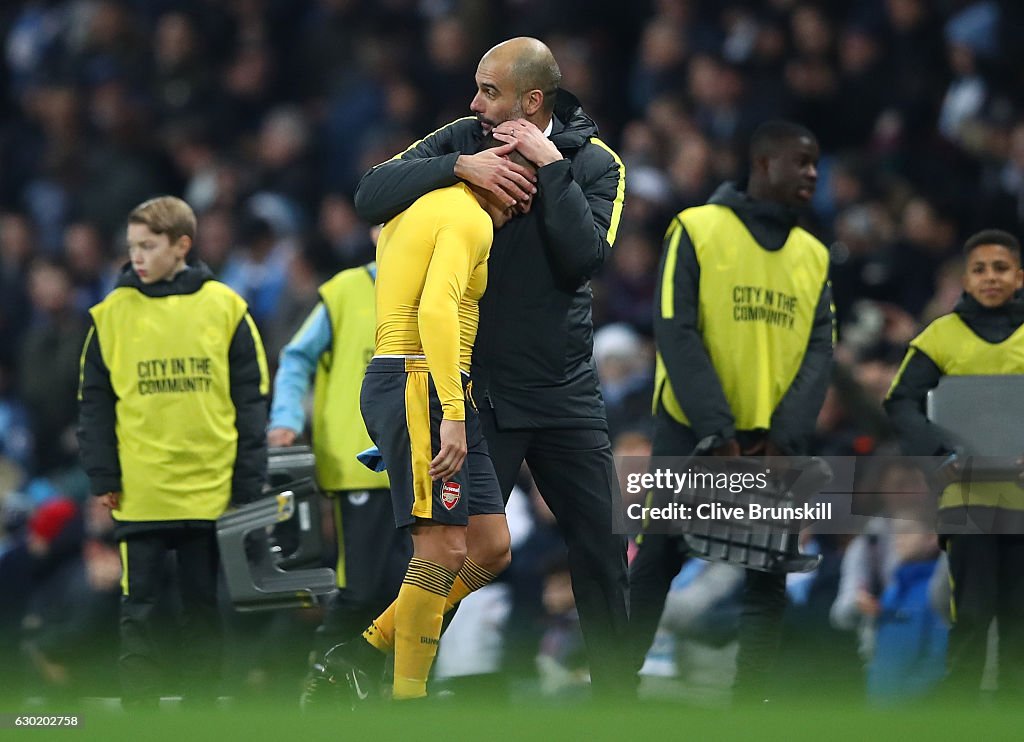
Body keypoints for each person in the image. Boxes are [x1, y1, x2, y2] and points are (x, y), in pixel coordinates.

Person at [353, 36, 632, 698]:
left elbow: (581, 260)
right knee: (457, 550)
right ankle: (386, 672)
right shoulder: (464, 136)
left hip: (564, 390)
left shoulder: (598, 164)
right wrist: (460, 168)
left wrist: (552, 166)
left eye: (490, 91)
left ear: (533, 102)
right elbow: (371, 192)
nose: (474, 102)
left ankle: (623, 708)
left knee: (599, 552)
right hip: (484, 390)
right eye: (477, 88)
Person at [305, 140, 525, 705]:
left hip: (430, 386)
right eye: (523, 188)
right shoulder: (468, 218)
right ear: (497, 175)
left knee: (491, 546)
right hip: (421, 381)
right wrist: (449, 415)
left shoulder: (423, 206)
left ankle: (362, 651)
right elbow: (435, 311)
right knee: (442, 550)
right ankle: (409, 701)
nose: (523, 205)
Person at [629, 120, 834, 701]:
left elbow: (820, 352)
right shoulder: (696, 229)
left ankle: (750, 708)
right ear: (765, 165)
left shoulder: (814, 256)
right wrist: (717, 430)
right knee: (658, 559)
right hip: (692, 430)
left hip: (771, 441)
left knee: (767, 574)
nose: (813, 174)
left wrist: (786, 436)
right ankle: (614, 690)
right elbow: (675, 330)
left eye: (816, 163)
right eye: (802, 161)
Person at [77, 196, 269, 709]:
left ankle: (200, 712)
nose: (137, 257)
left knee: (200, 608)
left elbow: (252, 403)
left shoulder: (225, 307)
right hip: (138, 490)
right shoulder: (110, 314)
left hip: (208, 488)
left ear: (182, 244)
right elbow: (93, 405)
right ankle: (140, 714)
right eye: (132, 246)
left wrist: (247, 482)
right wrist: (102, 475)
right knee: (138, 608)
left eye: (148, 245)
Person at [885, 228, 1024, 700]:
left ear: (1019, 276)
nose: (991, 278)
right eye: (980, 269)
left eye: (1001, 268)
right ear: (965, 279)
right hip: (969, 500)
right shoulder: (940, 337)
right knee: (973, 612)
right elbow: (900, 401)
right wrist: (936, 456)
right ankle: (960, 722)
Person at [267, 252, 413, 651]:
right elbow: (296, 356)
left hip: (424, 467)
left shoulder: (438, 283)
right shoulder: (344, 292)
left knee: (413, 594)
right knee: (362, 591)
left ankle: (395, 690)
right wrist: (285, 418)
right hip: (359, 466)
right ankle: (324, 678)